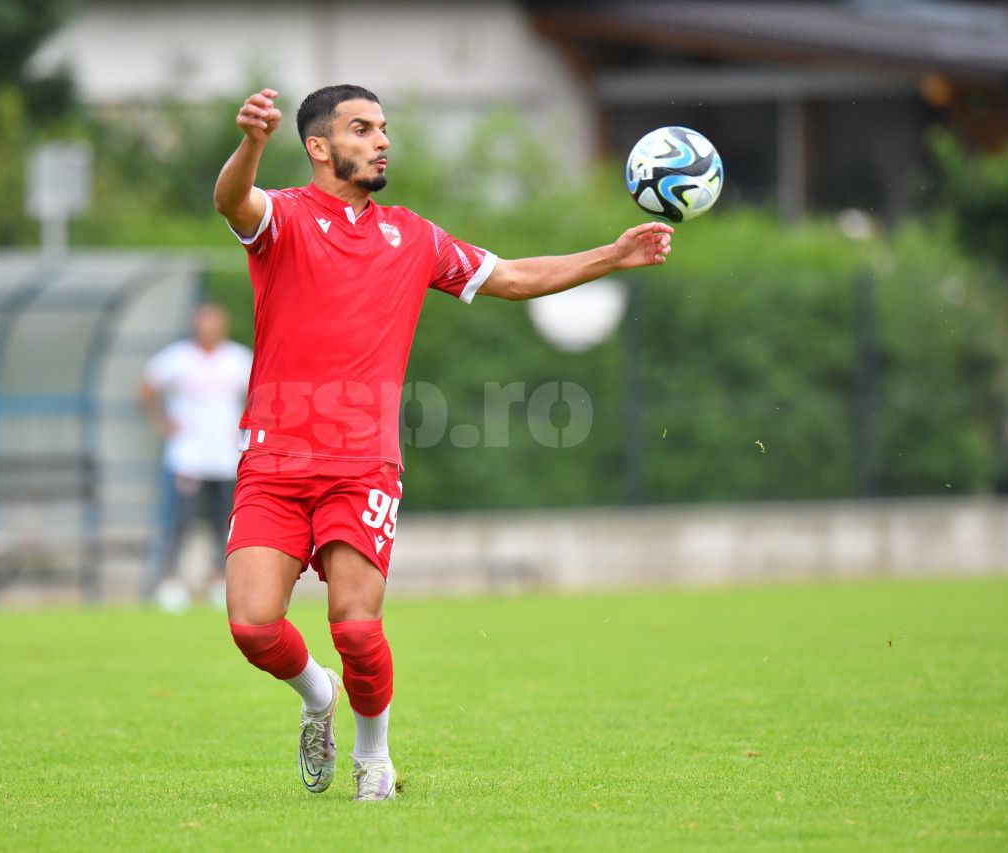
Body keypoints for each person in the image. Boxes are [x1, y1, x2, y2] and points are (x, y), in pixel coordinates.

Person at [213, 84, 673, 801]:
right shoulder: (285, 217)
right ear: (319, 147)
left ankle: (374, 761)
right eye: (362, 129)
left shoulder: (415, 237)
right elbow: (231, 203)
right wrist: (249, 142)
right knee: (250, 624)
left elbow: (515, 277)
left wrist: (611, 255)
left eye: (384, 128)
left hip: (362, 464)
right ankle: (316, 696)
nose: (381, 139)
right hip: (273, 459)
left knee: (358, 629)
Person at [137, 302, 253, 605]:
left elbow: (260, 396)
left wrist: (244, 429)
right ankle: (170, 580)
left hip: (226, 457)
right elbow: (145, 390)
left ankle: (219, 579)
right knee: (180, 522)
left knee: (224, 522)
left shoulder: (238, 359)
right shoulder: (177, 358)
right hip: (187, 456)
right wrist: (163, 423)